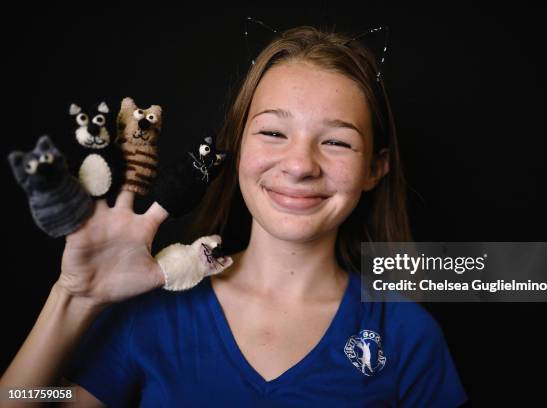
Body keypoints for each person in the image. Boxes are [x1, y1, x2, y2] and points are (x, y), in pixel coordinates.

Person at [1, 25, 467, 407]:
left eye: (337, 141)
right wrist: (74, 298)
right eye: (272, 132)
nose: (301, 164)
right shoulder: (154, 311)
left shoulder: (406, 337)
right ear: (237, 145)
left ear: (374, 169)